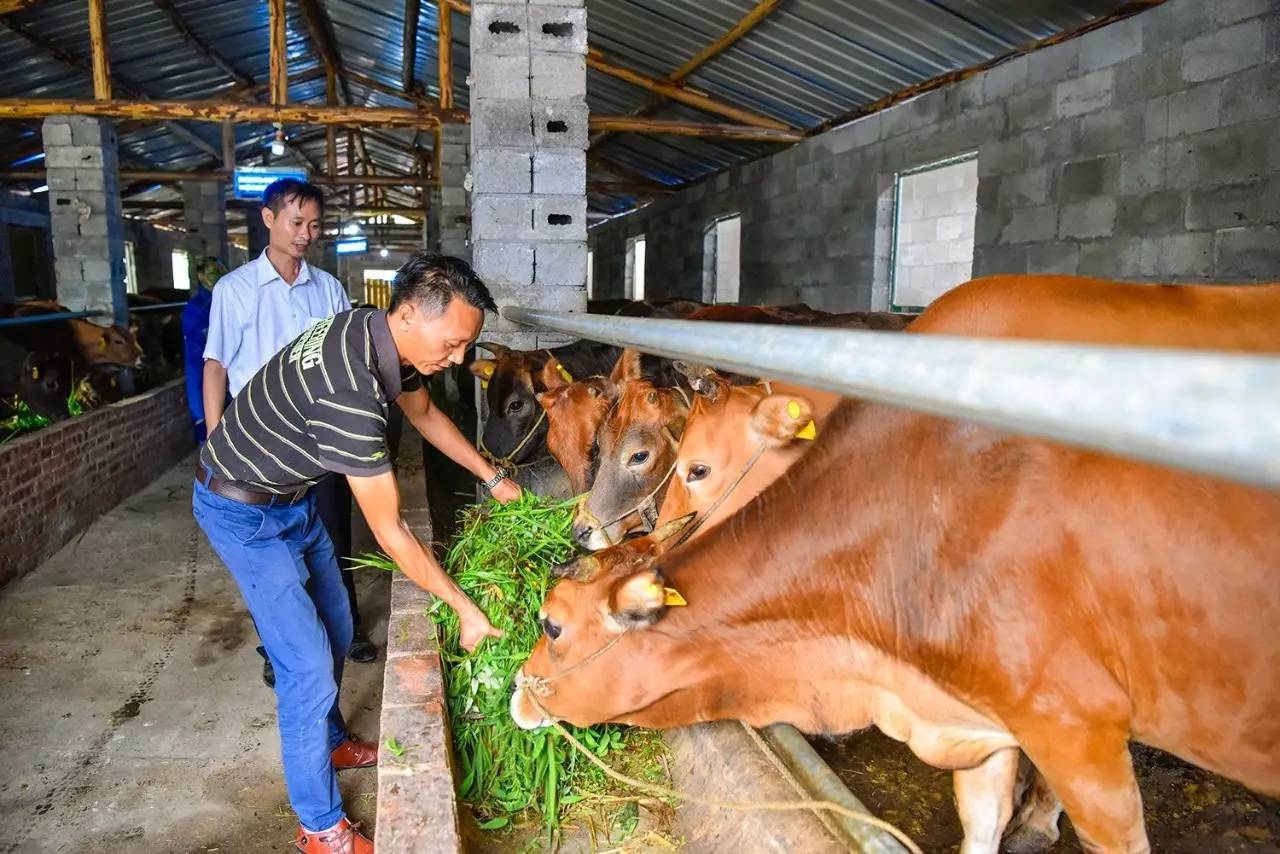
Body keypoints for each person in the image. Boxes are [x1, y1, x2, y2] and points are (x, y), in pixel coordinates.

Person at [193, 253, 520, 853]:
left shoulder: (372, 330)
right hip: (243, 510)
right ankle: (319, 828)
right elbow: (393, 533)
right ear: (409, 315)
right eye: (452, 344)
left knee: (340, 626)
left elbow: (423, 412)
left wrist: (493, 477)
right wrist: (466, 608)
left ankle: (332, 740)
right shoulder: (352, 394)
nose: (457, 359)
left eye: (465, 346)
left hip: (291, 499)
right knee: (306, 668)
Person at [202, 178, 378, 677]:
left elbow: (347, 360)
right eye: (296, 222)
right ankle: (279, 644)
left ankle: (348, 627)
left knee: (332, 533)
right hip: (257, 441)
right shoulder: (235, 290)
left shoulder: (329, 289)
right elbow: (215, 365)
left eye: (315, 225)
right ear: (268, 219)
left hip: (321, 438)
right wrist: (216, 436)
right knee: (272, 551)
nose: (305, 233)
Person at [181, 256, 228, 443]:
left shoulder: (226, 299)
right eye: (212, 274)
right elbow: (199, 355)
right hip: (204, 372)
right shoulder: (197, 309)